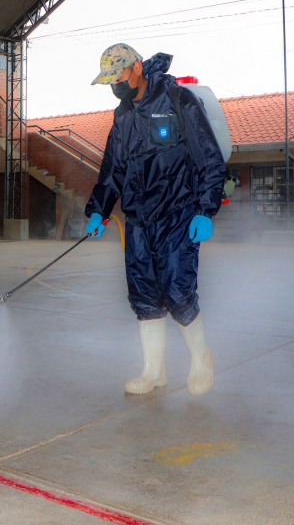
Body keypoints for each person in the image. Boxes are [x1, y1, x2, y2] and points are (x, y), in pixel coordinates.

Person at [84, 44, 226, 396]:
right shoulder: (123, 116)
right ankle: (153, 371)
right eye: (109, 81)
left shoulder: (178, 101)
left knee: (178, 292)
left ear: (136, 69)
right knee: (144, 296)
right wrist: (99, 210)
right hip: (139, 220)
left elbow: (209, 159)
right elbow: (113, 169)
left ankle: (200, 360)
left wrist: (205, 210)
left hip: (178, 214)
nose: (114, 85)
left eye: (117, 77)